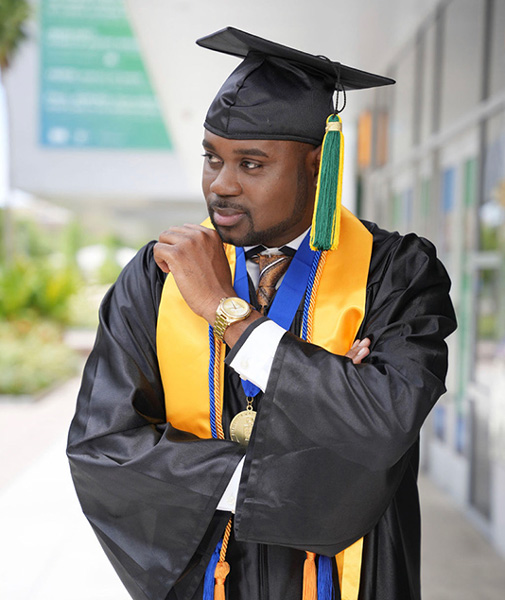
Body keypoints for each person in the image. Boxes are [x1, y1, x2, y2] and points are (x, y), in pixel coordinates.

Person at [67, 27, 457, 600]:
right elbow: (101, 447)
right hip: (208, 570)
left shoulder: (396, 273)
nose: (221, 185)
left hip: (349, 571)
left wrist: (231, 317)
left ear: (316, 165)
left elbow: (384, 424)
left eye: (250, 163)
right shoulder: (159, 272)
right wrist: (319, 426)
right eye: (211, 157)